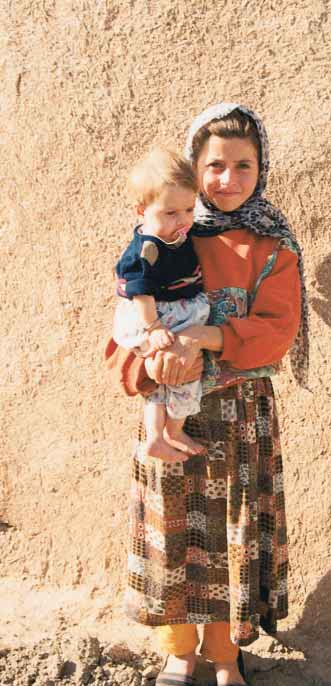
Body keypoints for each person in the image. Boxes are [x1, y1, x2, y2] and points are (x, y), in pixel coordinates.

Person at [120, 103, 309, 686]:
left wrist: (203, 340)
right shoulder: (167, 234)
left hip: (240, 418)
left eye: (244, 166)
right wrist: (153, 360)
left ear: (262, 169)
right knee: (174, 531)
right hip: (175, 410)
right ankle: (177, 652)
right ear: (195, 169)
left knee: (231, 536)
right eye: (215, 166)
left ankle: (227, 655)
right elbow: (122, 329)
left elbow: (276, 331)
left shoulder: (273, 247)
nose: (229, 179)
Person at [114, 146, 210, 462]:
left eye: (188, 210)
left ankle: (160, 435)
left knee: (165, 380)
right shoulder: (147, 249)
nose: (182, 220)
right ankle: (169, 430)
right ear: (142, 211)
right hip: (159, 316)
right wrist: (153, 327)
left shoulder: (176, 236)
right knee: (181, 373)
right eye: (170, 213)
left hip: (169, 313)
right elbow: (140, 291)